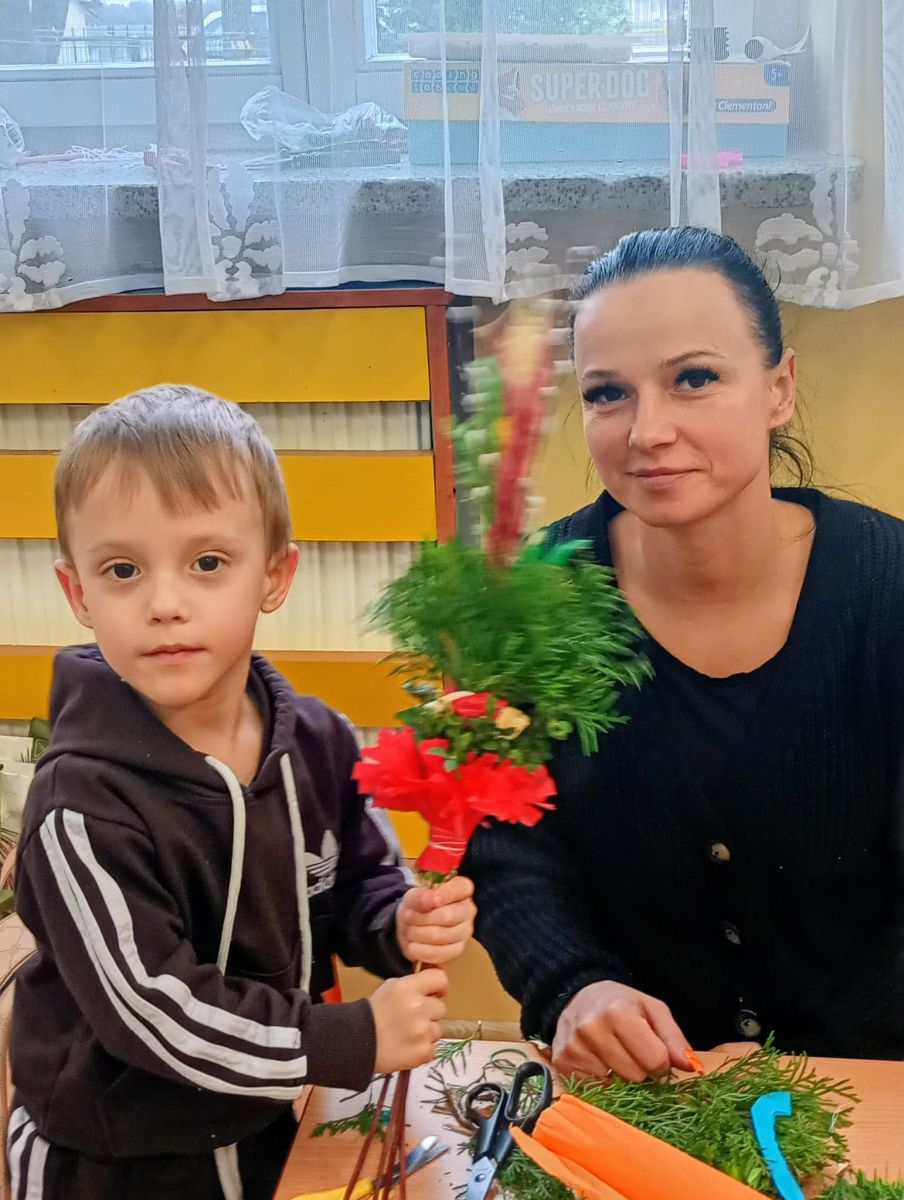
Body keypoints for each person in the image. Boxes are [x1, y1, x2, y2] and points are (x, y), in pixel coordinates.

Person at [8, 385, 476, 1200]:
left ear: (274, 573)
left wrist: (398, 922)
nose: (164, 604)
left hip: (260, 1120)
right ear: (78, 592)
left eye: (207, 563)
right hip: (110, 1162)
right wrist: (348, 1038)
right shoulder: (79, 806)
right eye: (122, 570)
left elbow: (357, 883)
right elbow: (155, 1011)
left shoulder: (320, 741)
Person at [464, 226, 904, 1084]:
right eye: (607, 394)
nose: (648, 431)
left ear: (779, 388)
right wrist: (575, 987)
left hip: (875, 1088)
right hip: (636, 1090)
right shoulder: (533, 600)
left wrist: (814, 1068)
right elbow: (503, 842)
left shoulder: (887, 591)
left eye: (694, 379)